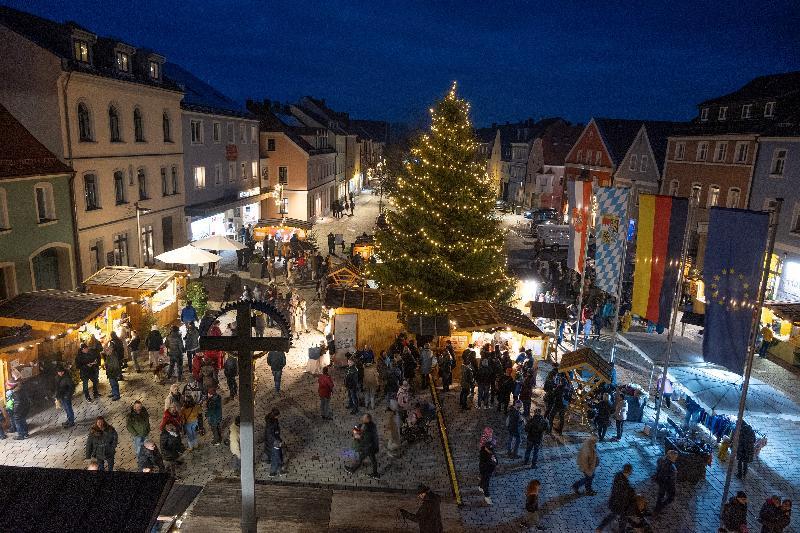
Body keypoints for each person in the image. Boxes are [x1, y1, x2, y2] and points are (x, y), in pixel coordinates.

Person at [596, 463, 635, 532]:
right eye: (631, 471)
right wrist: (631, 493)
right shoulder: (624, 482)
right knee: (623, 519)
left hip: (615, 502)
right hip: (619, 504)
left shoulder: (618, 475)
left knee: (612, 516)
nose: (631, 473)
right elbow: (624, 493)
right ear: (629, 472)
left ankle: (599, 528)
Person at [346, 413, 380, 478]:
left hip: (368, 447)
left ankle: (352, 470)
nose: (362, 419)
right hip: (373, 446)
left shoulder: (366, 427)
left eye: (364, 418)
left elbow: (360, 436)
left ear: (367, 419)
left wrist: (356, 433)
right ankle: (375, 474)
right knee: (373, 460)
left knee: (360, 459)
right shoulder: (372, 425)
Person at [653, 450, 678, 514]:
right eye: (675, 457)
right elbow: (672, 480)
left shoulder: (660, 459)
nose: (676, 458)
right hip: (667, 484)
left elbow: (658, 469)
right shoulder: (673, 468)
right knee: (671, 497)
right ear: (672, 457)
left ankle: (657, 508)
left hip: (660, 481)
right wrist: (673, 488)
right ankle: (659, 508)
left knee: (660, 495)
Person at [478, 431, 498, 505]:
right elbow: (491, 462)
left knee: (484, 479)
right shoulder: (484, 455)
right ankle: (487, 498)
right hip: (486, 471)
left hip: (488, 471)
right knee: (486, 484)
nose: (491, 451)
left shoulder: (490, 452)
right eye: (489, 450)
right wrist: (493, 461)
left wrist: (494, 461)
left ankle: (480, 486)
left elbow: (496, 460)